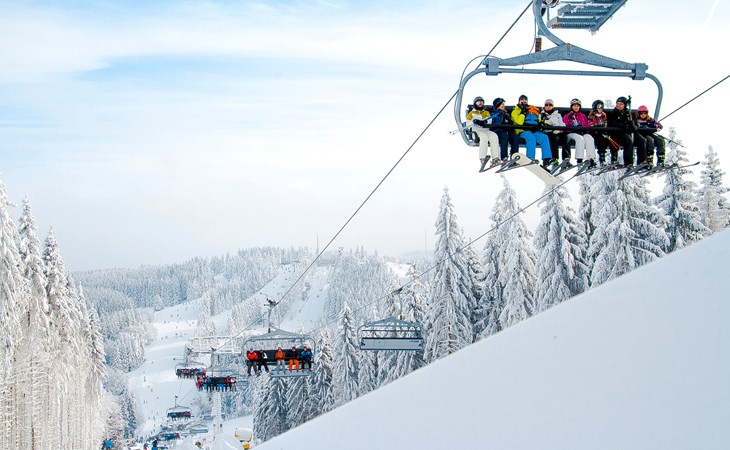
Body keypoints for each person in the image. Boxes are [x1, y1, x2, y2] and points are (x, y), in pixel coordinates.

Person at [510, 94, 553, 168]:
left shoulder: (531, 110)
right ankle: (530, 158)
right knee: (531, 138)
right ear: (519, 101)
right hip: (522, 130)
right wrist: (523, 113)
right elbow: (519, 122)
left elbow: (537, 119)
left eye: (525, 99)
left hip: (533, 130)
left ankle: (546, 158)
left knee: (544, 137)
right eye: (522, 99)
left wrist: (540, 122)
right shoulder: (515, 111)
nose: (523, 101)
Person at [467, 96, 501, 167]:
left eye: (481, 102)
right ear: (475, 103)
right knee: (483, 137)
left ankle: (495, 158)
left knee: (494, 136)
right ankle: (482, 158)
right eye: (478, 102)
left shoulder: (486, 112)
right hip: (476, 131)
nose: (480, 103)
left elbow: (489, 120)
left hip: (486, 129)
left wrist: (484, 122)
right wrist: (475, 121)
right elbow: (468, 124)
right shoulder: (471, 113)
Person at [562, 98, 597, 165]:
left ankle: (591, 158)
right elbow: (564, 124)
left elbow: (586, 125)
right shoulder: (568, 115)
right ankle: (579, 159)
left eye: (577, 106)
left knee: (589, 138)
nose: (576, 107)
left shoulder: (582, 116)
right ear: (571, 107)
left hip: (581, 132)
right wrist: (572, 123)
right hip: (571, 133)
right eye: (574, 105)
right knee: (580, 139)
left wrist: (583, 127)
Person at [608, 96, 640, 166]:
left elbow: (633, 128)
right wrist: (624, 125)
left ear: (624, 105)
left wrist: (630, 123)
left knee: (629, 139)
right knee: (614, 139)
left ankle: (629, 162)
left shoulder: (628, 114)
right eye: (617, 103)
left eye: (621, 104)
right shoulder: (613, 113)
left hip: (624, 134)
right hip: (615, 133)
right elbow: (612, 123)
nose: (618, 105)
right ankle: (614, 159)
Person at [540, 99, 569, 164]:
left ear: (553, 106)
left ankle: (566, 158)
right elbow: (540, 124)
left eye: (550, 105)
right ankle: (554, 158)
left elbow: (562, 124)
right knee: (553, 138)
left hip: (558, 131)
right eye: (546, 105)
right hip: (548, 132)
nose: (548, 106)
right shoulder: (542, 115)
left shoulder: (557, 115)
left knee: (565, 137)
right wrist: (545, 122)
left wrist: (559, 130)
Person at [587, 99, 611, 165]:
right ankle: (591, 159)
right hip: (593, 133)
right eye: (598, 107)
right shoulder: (591, 115)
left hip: (601, 133)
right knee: (593, 140)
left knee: (603, 140)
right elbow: (590, 123)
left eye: (601, 107)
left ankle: (602, 157)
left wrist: (603, 127)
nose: (600, 109)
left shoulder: (603, 115)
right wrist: (596, 125)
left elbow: (605, 123)